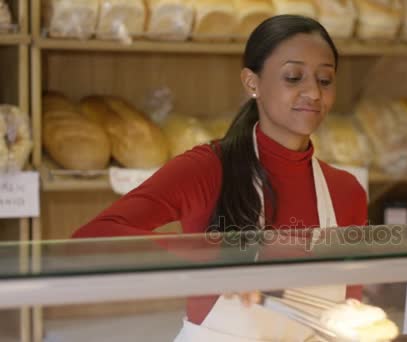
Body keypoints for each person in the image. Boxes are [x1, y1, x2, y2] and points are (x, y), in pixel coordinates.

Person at [72, 14, 368, 341]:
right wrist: (217, 254)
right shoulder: (207, 169)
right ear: (251, 82)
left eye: (325, 80)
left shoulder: (346, 191)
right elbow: (91, 237)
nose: (313, 92)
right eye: (294, 77)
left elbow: (348, 312)